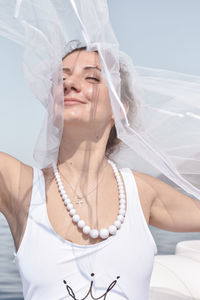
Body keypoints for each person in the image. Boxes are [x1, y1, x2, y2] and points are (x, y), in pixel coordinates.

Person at [0, 45, 200, 300]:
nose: (70, 83)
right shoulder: (18, 184)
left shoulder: (141, 192)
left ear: (119, 108)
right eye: (60, 78)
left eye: (91, 77)